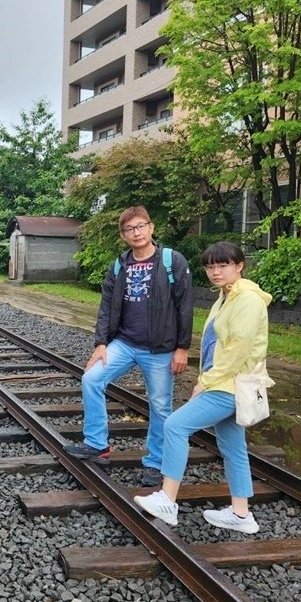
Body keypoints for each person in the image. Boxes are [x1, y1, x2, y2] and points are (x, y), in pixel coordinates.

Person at [134, 242, 271, 534]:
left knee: (175, 425)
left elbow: (237, 349)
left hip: (229, 385)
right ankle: (241, 514)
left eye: (223, 266)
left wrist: (204, 382)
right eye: (210, 266)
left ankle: (168, 501)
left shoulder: (247, 300)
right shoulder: (226, 296)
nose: (215, 272)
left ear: (239, 265)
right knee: (234, 448)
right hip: (227, 382)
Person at [64, 206, 193, 486]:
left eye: (140, 226)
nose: (136, 232)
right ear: (123, 235)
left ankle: (156, 463)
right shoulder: (119, 265)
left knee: (160, 406)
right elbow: (107, 307)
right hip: (124, 343)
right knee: (92, 379)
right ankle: (97, 443)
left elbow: (185, 307)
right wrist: (100, 343)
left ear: (151, 227)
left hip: (160, 348)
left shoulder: (172, 261)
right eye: (129, 229)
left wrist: (182, 348)